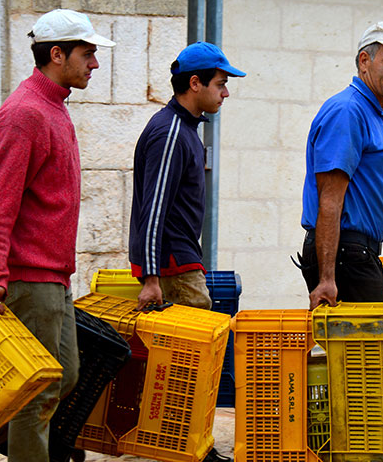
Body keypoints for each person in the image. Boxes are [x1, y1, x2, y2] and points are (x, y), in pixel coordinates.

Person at [0, 9, 115, 462]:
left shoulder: (52, 107)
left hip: (52, 278)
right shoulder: (24, 115)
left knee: (66, 375)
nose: (94, 63)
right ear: (57, 55)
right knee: (37, 394)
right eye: (87, 53)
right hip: (28, 279)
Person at [128, 41, 244, 462]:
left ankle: (188, 445)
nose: (225, 93)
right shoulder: (171, 132)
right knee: (196, 363)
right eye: (221, 83)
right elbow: (153, 208)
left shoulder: (182, 129)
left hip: (178, 261)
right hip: (175, 266)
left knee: (190, 363)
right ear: (194, 84)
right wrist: (152, 278)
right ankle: (192, 449)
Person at [299, 21, 383, 310]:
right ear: (364, 61)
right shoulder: (348, 111)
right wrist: (327, 277)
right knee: (374, 353)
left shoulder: (372, 113)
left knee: (362, 354)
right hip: (345, 254)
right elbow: (330, 199)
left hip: (355, 253)